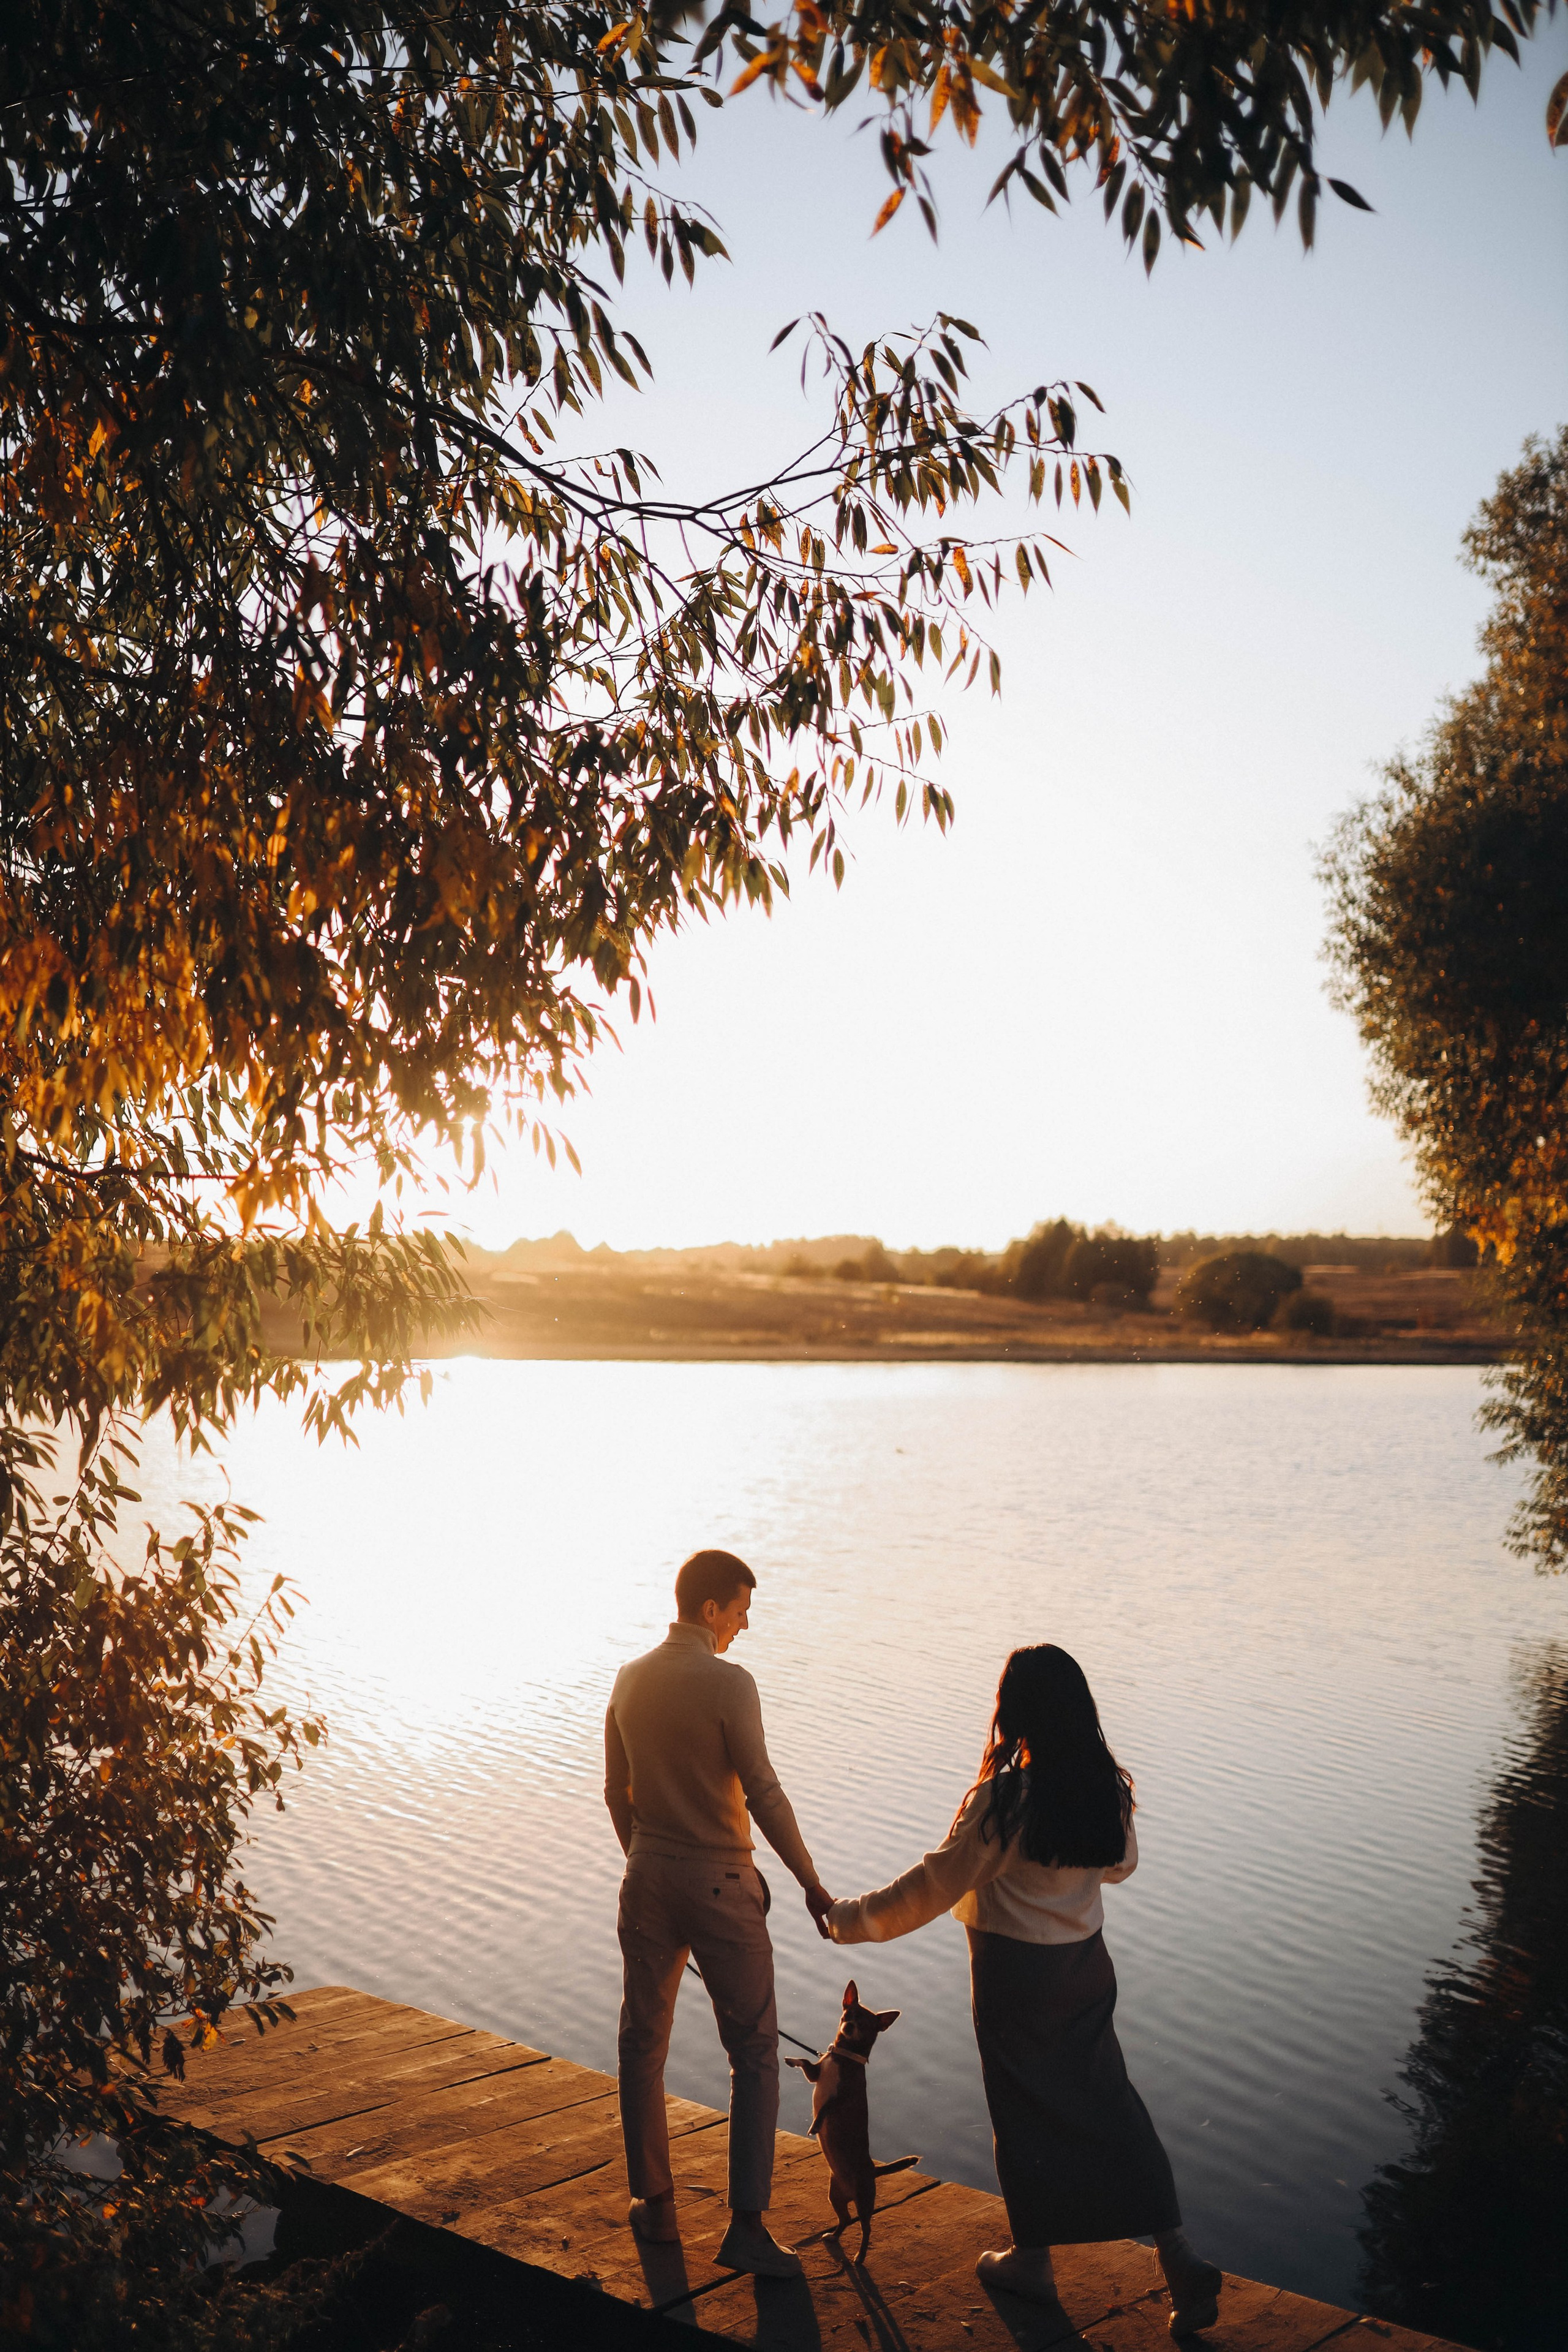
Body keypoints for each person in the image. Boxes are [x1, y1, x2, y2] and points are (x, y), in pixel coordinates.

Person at [825, 1642, 1223, 2339]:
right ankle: (1177, 2255)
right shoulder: (1105, 1790)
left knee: (1020, 2111)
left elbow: (930, 1887)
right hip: (1086, 1969)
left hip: (1014, 1978)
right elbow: (1121, 1866)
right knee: (1112, 2103)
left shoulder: (1004, 1801)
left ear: (1015, 1713)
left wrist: (843, 1920)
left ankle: (1034, 2260)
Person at [605, 1547, 835, 2278]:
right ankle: (746, 2229)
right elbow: (762, 1790)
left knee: (642, 2042)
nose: (744, 1625)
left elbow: (616, 1791)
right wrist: (809, 1881)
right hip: (722, 1885)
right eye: (739, 1611)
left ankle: (656, 2207)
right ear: (710, 1610)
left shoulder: (629, 1677)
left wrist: (645, 1859)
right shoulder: (730, 1684)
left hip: (646, 1874)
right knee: (755, 2054)